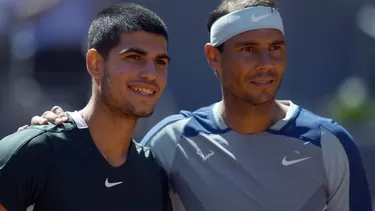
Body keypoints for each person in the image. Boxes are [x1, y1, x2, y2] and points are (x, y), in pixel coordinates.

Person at [20, 0, 374, 210]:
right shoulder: (170, 142)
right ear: (213, 58)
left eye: (275, 48)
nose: (266, 63)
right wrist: (58, 132)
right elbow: (99, 175)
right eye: (248, 50)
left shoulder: (331, 144)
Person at [0, 3, 172, 211]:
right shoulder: (31, 152)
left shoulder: (153, 169)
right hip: (43, 61)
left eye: (160, 62)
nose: (150, 73)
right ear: (95, 64)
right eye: (134, 58)